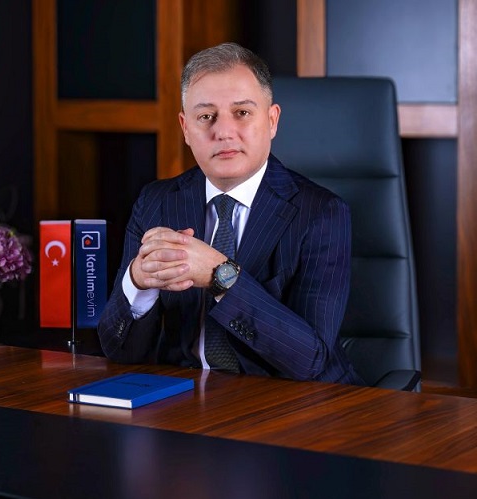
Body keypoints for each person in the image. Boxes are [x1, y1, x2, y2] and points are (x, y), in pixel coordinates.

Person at [98, 42, 364, 385]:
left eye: (242, 113)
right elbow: (119, 351)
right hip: (187, 398)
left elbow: (311, 361)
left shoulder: (321, 213)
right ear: (185, 128)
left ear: (272, 121)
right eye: (206, 117)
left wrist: (219, 275)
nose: (223, 132)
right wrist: (137, 282)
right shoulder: (156, 202)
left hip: (290, 400)